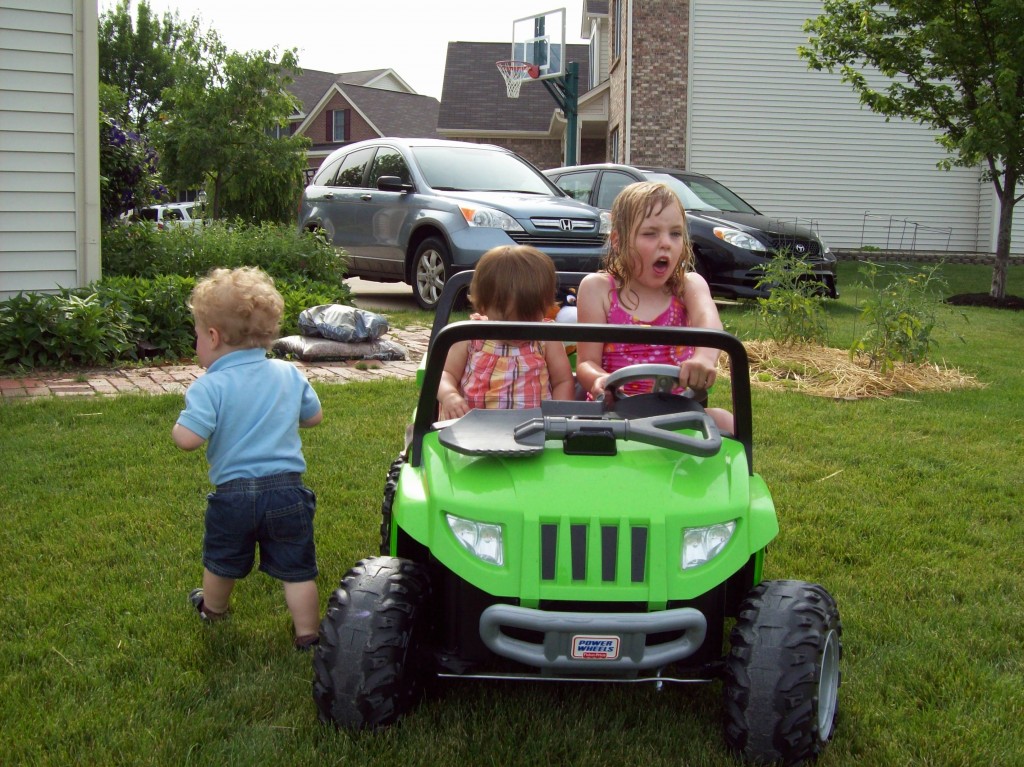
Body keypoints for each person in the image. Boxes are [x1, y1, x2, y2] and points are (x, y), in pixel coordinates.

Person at [172, 267, 324, 651]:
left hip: (234, 496)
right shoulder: (288, 374)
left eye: (197, 337)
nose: (196, 346)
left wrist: (179, 428)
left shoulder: (209, 386)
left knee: (222, 560)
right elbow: (313, 417)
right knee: (297, 568)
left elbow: (188, 439)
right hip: (288, 493)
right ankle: (308, 633)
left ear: (213, 336)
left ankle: (214, 610)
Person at [576, 181, 734, 434]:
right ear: (617, 241)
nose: (666, 243)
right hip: (613, 413)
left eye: (675, 233)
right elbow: (585, 362)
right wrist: (597, 379)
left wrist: (704, 357)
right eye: (650, 233)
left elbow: (709, 320)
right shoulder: (599, 289)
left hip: (677, 409)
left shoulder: (687, 286)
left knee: (728, 422)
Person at [437, 245, 575, 421]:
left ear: (545, 308)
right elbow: (445, 373)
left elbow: (562, 381)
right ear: (484, 307)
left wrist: (557, 417)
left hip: (532, 430)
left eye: (528, 323)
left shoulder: (546, 338)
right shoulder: (469, 335)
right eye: (508, 323)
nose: (518, 332)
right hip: (471, 431)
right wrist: (449, 395)